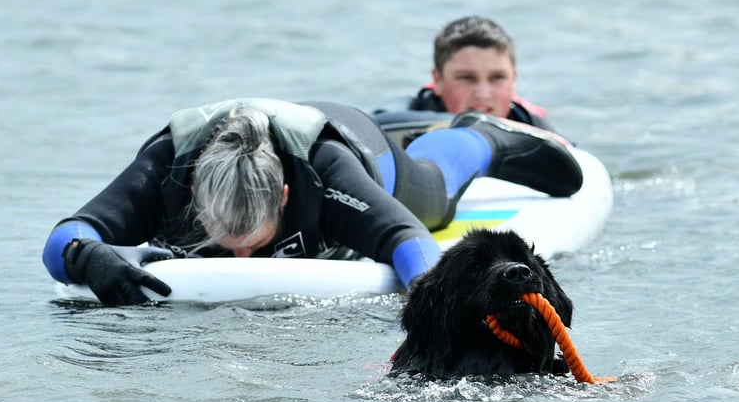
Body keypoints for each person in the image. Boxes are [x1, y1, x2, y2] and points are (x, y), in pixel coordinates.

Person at [42, 98, 582, 306]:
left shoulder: (325, 174)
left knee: (435, 195)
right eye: (226, 249)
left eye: (253, 248)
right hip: (234, 137)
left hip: (353, 139)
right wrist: (88, 257)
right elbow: (68, 235)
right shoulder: (165, 168)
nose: (241, 266)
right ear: (195, 202)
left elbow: (408, 237)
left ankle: (479, 135)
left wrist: (425, 294)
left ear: (282, 198)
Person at [372, 15, 553, 130]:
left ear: (513, 80)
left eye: (497, 78)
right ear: (438, 80)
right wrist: (500, 128)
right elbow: (371, 126)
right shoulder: (400, 115)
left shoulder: (531, 124)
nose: (483, 94)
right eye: (467, 78)